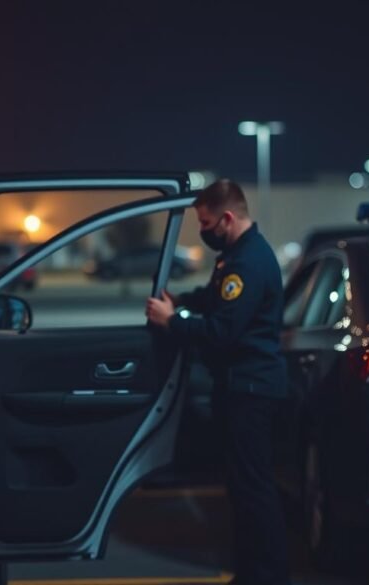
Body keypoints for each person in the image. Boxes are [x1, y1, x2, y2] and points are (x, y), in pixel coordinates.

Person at [146, 179, 289, 585]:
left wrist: (171, 322)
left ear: (227, 218)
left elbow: (221, 331)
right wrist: (184, 304)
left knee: (254, 492)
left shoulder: (246, 263)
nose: (203, 232)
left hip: (251, 390)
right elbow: (215, 302)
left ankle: (268, 577)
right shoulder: (238, 256)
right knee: (245, 491)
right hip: (242, 388)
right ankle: (252, 573)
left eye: (206, 223)